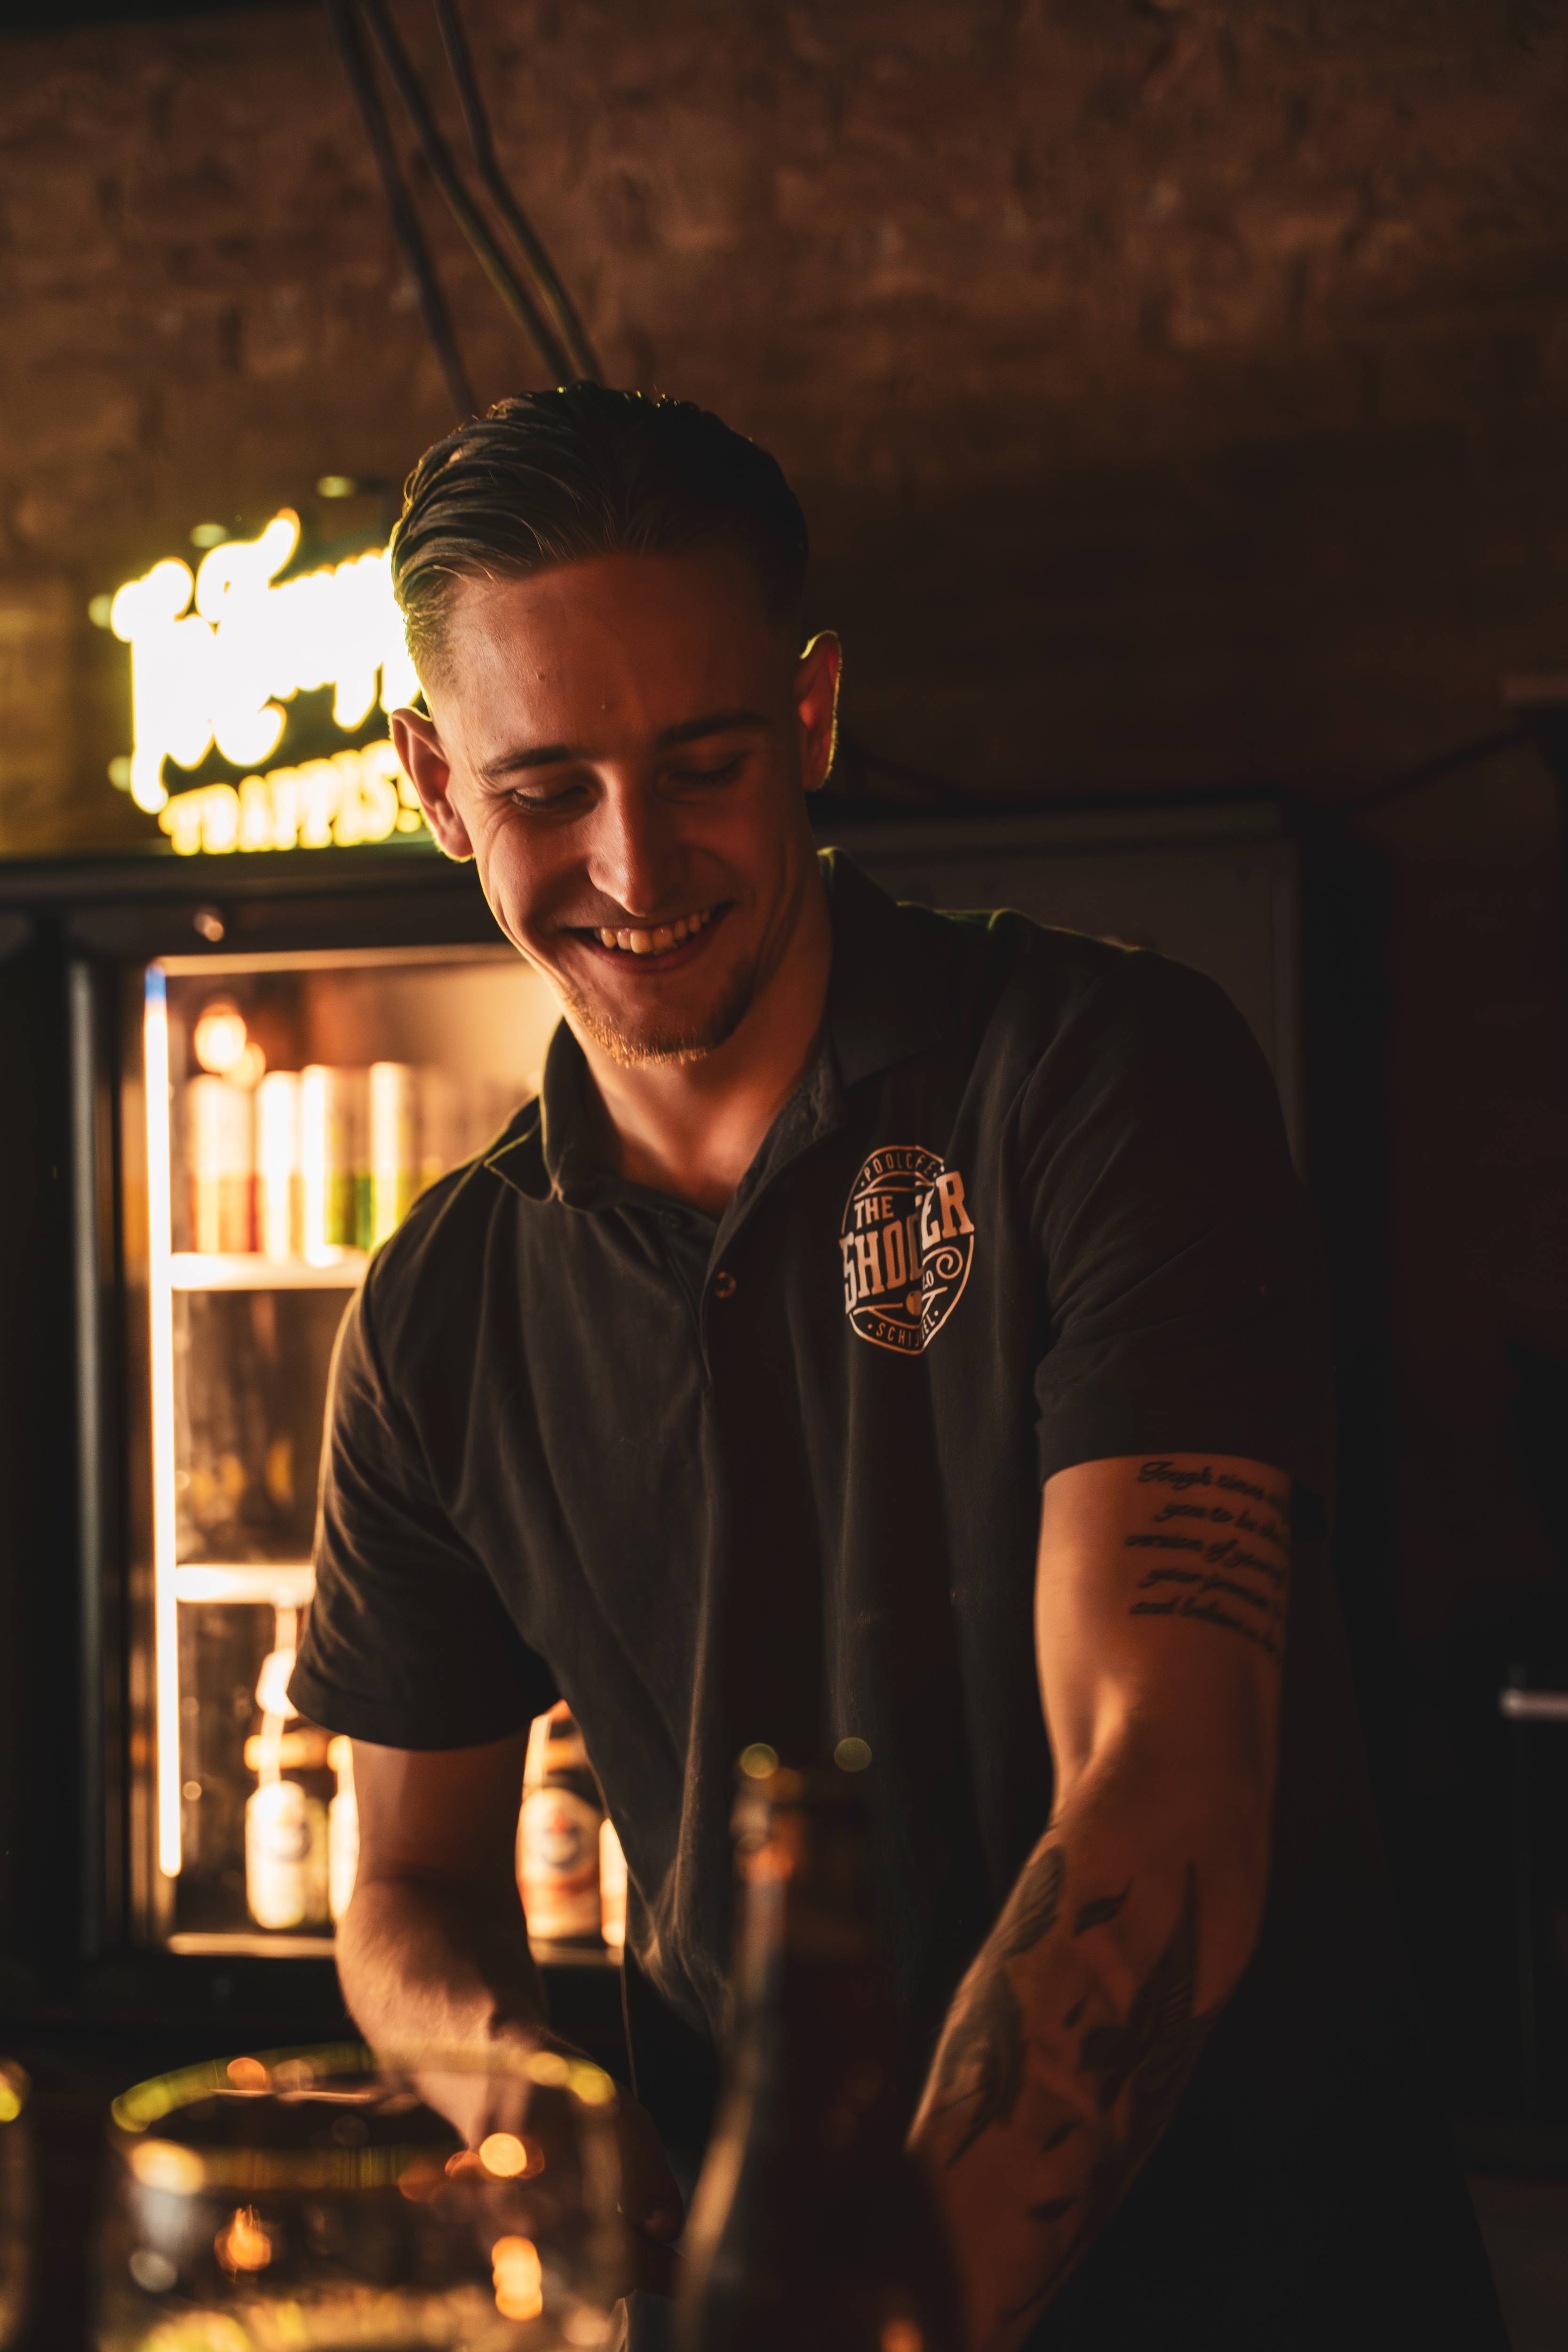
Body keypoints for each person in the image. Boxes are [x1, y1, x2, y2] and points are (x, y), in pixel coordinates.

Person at [289, 384, 1504, 2351]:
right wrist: (571, 2135)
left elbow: (1163, 1779)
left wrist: (871, 2310)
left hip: (1243, 2287)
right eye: (544, 792)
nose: (634, 859)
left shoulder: (1099, 1075)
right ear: (434, 780)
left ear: (817, 712)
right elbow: (408, 1890)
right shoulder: (442, 1300)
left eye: (704, 762)